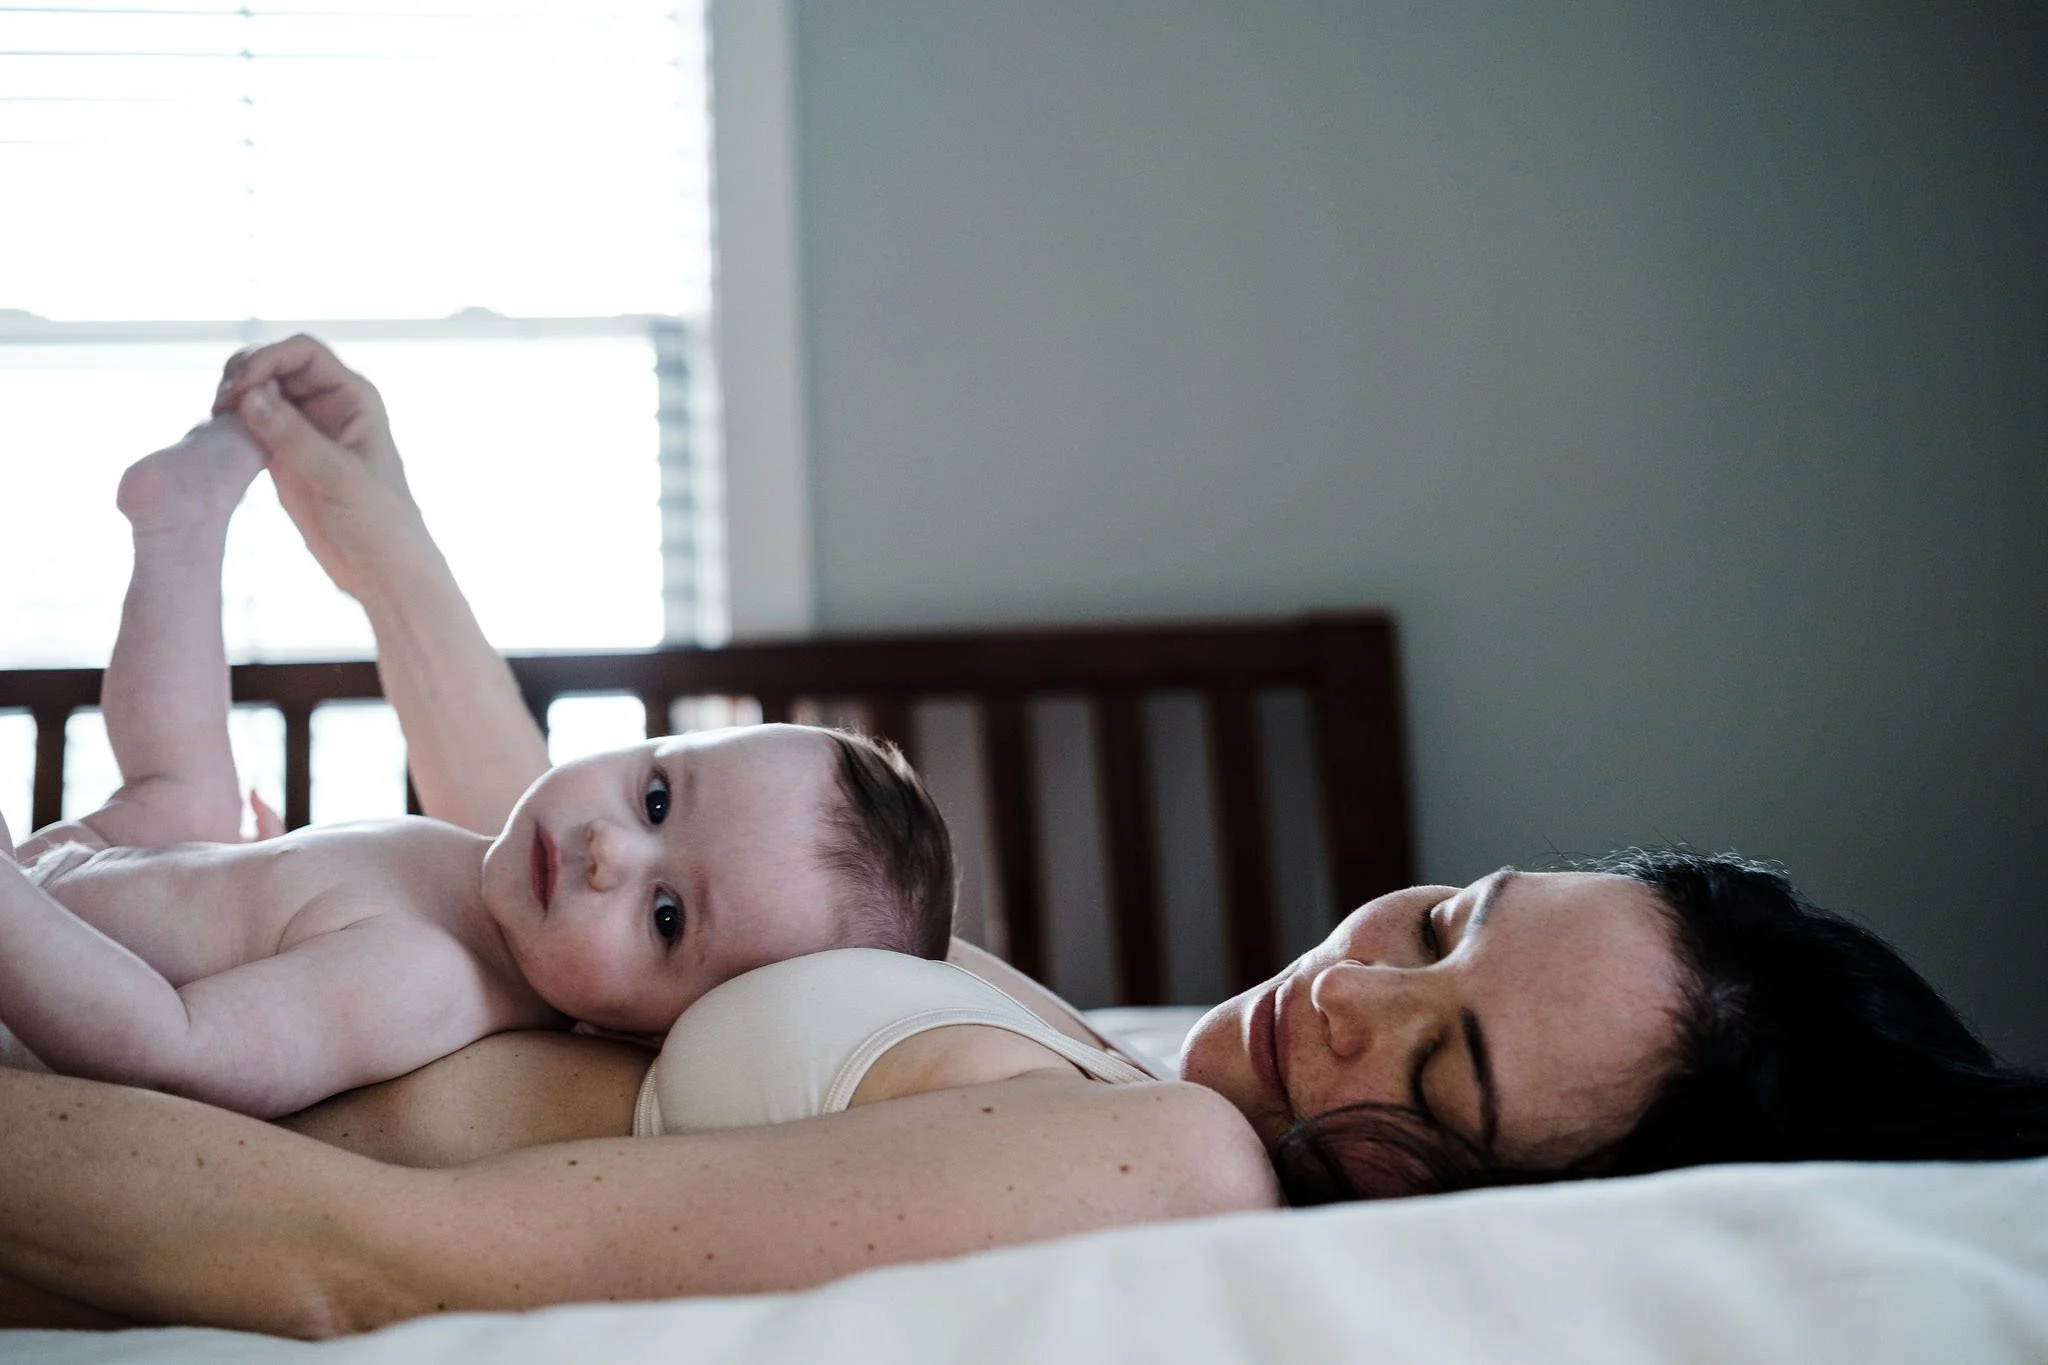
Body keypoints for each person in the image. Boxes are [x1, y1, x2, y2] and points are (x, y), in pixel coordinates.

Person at [0, 337, 2040, 1336]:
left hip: (126, 1116)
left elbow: (373, 1254)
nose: (1344, 990)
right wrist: (383, 531)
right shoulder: (1109, 1058)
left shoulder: (1158, 1156)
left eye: (1441, 1070)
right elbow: (560, 907)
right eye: (1434, 923)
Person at [0, 415, 954, 1117]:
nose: (607, 851)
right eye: (655, 795)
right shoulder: (471, 874)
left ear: (649, 1034)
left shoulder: (423, 981)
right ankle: (179, 530)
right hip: (81, 877)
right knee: (186, 789)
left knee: (178, 797)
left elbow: (173, 1047)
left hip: (35, 977)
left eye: (666, 918)